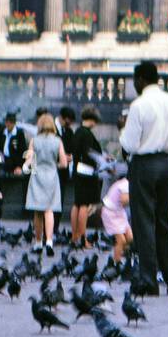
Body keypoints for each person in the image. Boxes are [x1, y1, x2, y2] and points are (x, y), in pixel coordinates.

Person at [119, 61, 168, 295]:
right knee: (164, 221)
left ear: (140, 80)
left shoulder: (139, 105)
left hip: (144, 164)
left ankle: (149, 279)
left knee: (143, 221)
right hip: (166, 164)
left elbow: (129, 143)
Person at [25, 111, 68, 255]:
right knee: (49, 210)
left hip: (37, 176)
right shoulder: (58, 141)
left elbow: (29, 159)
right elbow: (64, 163)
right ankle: (49, 241)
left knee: (38, 211)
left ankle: (38, 243)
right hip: (51, 176)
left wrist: (27, 165)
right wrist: (54, 164)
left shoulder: (34, 140)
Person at [70, 106, 104, 249]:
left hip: (77, 171)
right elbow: (91, 154)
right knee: (84, 205)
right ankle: (83, 238)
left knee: (77, 204)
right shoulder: (87, 134)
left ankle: (74, 236)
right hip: (87, 173)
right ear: (93, 119)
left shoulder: (77, 131)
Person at [100, 170, 132, 263]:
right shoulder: (126, 185)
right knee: (121, 241)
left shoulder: (126, 182)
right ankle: (116, 262)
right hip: (110, 213)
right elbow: (124, 200)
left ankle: (126, 257)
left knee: (130, 236)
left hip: (119, 211)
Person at [0, 111, 29, 176]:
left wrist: (20, 166)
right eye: (7, 122)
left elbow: (23, 151)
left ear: (14, 123)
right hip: (3, 162)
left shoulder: (19, 134)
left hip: (15, 163)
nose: (8, 124)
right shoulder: (2, 132)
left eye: (11, 122)